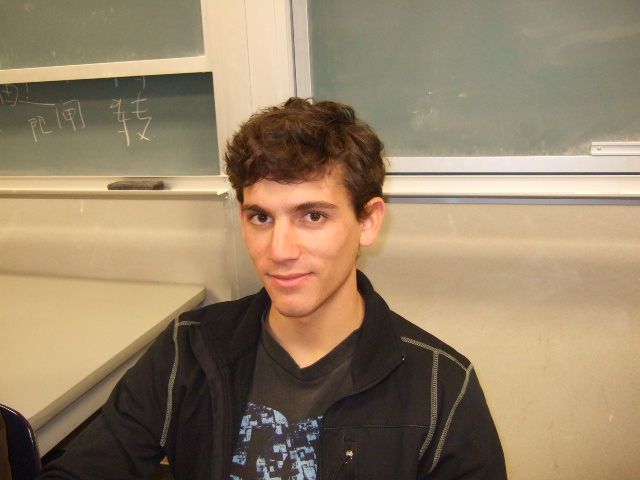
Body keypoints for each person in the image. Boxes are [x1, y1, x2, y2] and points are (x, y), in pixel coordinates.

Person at [38, 98, 507, 479]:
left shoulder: (441, 388)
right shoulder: (189, 349)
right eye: (261, 217)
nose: (279, 250)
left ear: (368, 221)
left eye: (313, 216)